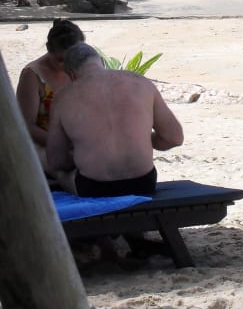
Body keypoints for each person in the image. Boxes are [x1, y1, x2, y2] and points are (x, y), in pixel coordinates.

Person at [46, 43, 184, 197]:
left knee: (60, 175)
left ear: (71, 74)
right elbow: (174, 138)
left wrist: (82, 148)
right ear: (101, 62)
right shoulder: (141, 83)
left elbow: (57, 160)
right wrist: (140, 138)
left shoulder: (64, 96)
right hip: (143, 183)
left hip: (92, 187)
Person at [15, 19, 85, 174]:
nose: (67, 64)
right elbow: (27, 126)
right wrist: (63, 145)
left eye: (73, 58)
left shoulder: (85, 66)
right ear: (48, 49)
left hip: (77, 142)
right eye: (60, 60)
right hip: (43, 144)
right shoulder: (32, 75)